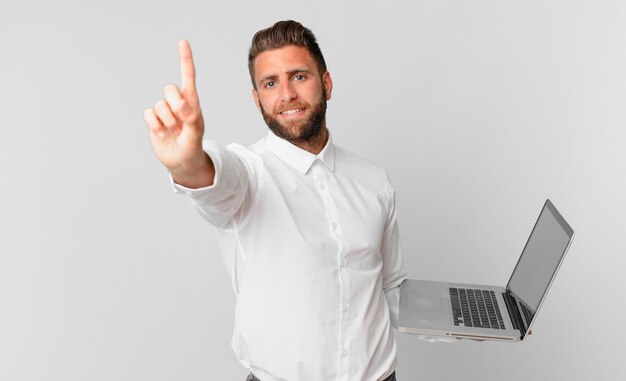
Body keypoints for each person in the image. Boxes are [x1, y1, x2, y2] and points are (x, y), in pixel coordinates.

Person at [144, 20, 406, 381]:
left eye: (299, 76)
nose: (286, 94)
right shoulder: (250, 175)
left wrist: (456, 322)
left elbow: (390, 287)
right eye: (270, 83)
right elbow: (216, 180)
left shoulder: (374, 181)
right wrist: (189, 163)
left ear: (326, 84)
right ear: (257, 99)